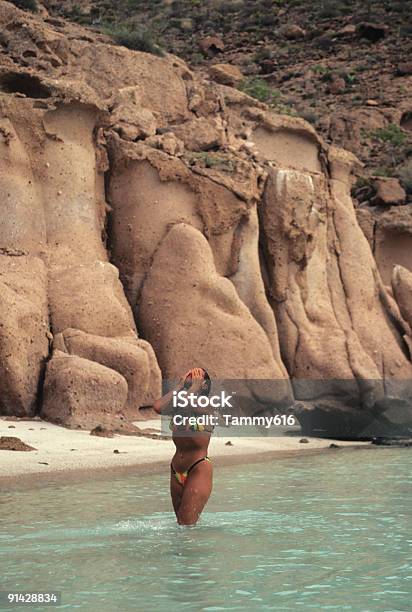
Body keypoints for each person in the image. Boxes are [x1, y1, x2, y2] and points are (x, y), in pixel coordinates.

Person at [153, 368, 213, 526]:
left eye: (196, 374)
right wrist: (179, 387)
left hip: (198, 468)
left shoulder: (206, 407)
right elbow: (158, 407)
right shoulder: (180, 403)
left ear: (204, 385)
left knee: (186, 524)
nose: (190, 374)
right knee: (181, 524)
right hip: (176, 469)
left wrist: (193, 387)